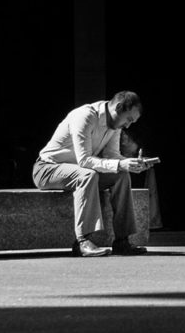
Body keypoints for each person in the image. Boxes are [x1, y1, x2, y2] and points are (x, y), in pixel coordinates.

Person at [32, 91, 152, 257]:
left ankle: (122, 241)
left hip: (79, 170)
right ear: (118, 108)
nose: (128, 126)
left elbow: (112, 156)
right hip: (48, 169)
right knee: (88, 175)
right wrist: (119, 164)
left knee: (122, 175)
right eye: (128, 119)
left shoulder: (115, 125)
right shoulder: (85, 116)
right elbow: (84, 161)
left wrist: (129, 164)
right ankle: (83, 241)